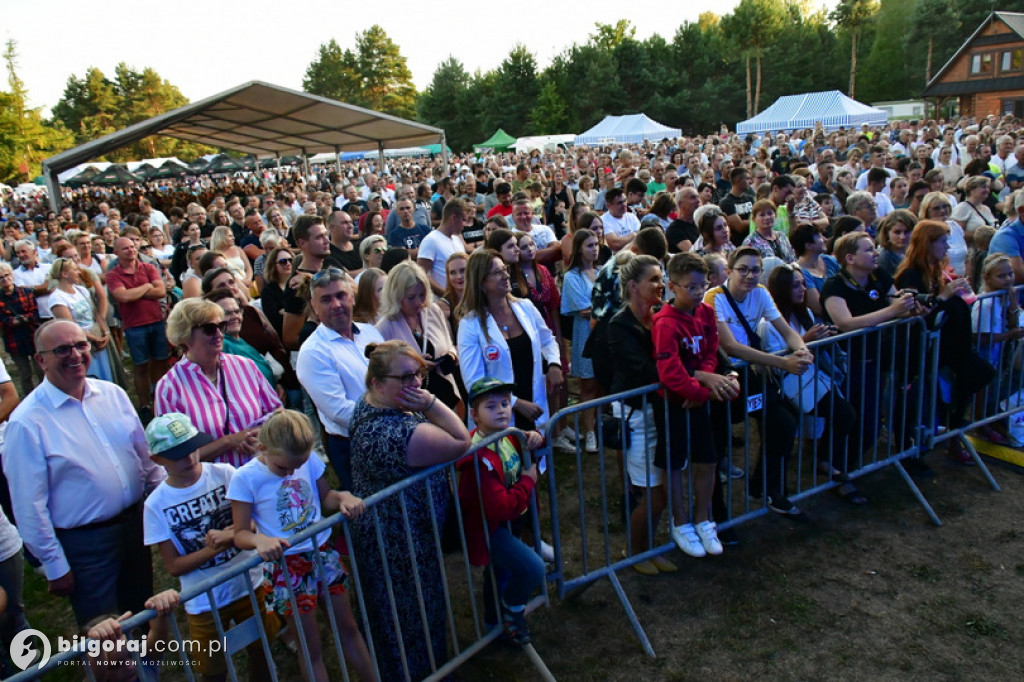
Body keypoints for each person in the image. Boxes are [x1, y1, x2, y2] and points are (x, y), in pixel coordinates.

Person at [4, 320, 164, 626]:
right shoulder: (26, 423)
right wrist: (54, 565)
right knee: (105, 634)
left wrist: (166, 501)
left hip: (134, 528)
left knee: (141, 616)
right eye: (62, 349)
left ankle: (146, 672)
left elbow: (145, 460)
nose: (75, 354)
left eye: (81, 345)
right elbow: (28, 505)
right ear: (41, 360)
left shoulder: (113, 394)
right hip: (86, 547)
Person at [349, 340, 470, 682]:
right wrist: (432, 403)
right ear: (376, 383)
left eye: (417, 374)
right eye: (404, 377)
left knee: (410, 610)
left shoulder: (382, 404)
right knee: (407, 615)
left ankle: (425, 668)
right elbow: (461, 441)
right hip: (397, 540)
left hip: (406, 531)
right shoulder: (390, 433)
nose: (415, 384)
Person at [228, 409, 375, 682]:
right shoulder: (245, 479)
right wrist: (259, 539)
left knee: (348, 628)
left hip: (323, 554)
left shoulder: (305, 460)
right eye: (284, 468)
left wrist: (342, 497)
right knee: (311, 647)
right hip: (287, 567)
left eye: (299, 465)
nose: (293, 472)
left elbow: (326, 496)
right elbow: (239, 534)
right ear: (262, 448)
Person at [142, 412, 277, 682]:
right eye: (178, 454)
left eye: (192, 449)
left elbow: (254, 521)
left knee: (262, 652)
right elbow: (173, 566)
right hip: (204, 601)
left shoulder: (225, 474)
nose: (189, 458)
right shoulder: (155, 505)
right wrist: (214, 548)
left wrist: (230, 536)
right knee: (213, 669)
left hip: (250, 583)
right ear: (157, 460)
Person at [704, 247, 813, 517]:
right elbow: (730, 347)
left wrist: (801, 349)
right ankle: (716, 512)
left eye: (756, 270)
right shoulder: (713, 297)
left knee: (783, 423)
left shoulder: (761, 293)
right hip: (723, 377)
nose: (750, 275)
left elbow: (787, 331)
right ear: (728, 272)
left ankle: (766, 487)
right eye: (743, 269)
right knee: (715, 447)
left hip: (752, 375)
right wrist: (782, 362)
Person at [654, 253, 739, 557]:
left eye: (702, 285)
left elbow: (711, 349)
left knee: (708, 459)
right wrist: (703, 390)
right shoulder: (665, 322)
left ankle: (703, 518)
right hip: (675, 405)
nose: (698, 292)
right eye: (691, 287)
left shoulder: (705, 312)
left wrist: (703, 385)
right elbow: (670, 371)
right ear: (672, 287)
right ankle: (680, 522)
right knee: (675, 464)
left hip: (699, 399)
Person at [821, 233, 926, 471]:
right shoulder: (834, 286)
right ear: (850, 257)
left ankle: (847, 467)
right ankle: (831, 465)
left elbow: (896, 303)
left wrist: (912, 309)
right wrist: (893, 312)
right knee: (844, 419)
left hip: (875, 360)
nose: (875, 253)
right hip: (845, 365)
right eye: (868, 250)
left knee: (869, 425)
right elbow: (845, 323)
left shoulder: (878, 275)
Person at [895, 220, 997, 463]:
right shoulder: (911, 273)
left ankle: (953, 431)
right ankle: (913, 450)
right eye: (942, 242)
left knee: (980, 374)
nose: (947, 247)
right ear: (927, 244)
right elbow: (914, 312)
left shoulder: (935, 270)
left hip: (950, 348)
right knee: (915, 405)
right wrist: (945, 296)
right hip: (922, 349)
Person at [456, 377, 546, 645]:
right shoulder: (478, 456)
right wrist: (528, 482)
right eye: (491, 406)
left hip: (512, 522)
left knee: (501, 572)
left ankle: (494, 624)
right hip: (490, 528)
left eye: (505, 403)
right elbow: (499, 507)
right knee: (533, 568)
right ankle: (512, 611)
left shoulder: (510, 435)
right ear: (474, 415)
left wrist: (535, 437)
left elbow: (532, 449)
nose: (501, 410)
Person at [763, 265, 862, 503]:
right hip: (786, 387)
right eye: (796, 285)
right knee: (783, 437)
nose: (803, 289)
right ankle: (774, 491)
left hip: (811, 381)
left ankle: (824, 459)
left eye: (803, 283)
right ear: (782, 289)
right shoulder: (769, 321)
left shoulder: (805, 312)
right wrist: (805, 341)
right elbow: (771, 357)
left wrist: (826, 336)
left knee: (845, 414)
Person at [607, 254, 676, 574]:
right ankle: (635, 551)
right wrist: (678, 372)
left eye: (661, 278)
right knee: (653, 491)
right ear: (633, 286)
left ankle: (648, 546)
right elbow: (645, 369)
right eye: (654, 279)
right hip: (636, 414)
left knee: (661, 488)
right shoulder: (620, 325)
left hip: (661, 410)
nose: (661, 285)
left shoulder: (661, 315)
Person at [155, 299, 282, 467]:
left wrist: (261, 434)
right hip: (216, 485)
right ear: (185, 336)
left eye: (221, 326)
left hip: (262, 471)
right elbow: (176, 456)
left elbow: (278, 412)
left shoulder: (245, 366)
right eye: (209, 329)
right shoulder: (170, 388)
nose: (220, 334)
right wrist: (229, 442)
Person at [296, 268, 384, 491]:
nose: (335, 304)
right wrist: (389, 419)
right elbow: (338, 411)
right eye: (326, 299)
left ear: (352, 297)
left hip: (389, 429)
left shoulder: (370, 333)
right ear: (314, 307)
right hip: (352, 445)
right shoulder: (313, 352)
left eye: (340, 295)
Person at [459, 250, 563, 435]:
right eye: (497, 272)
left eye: (504, 269)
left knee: (536, 459)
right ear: (481, 282)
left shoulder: (525, 307)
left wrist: (554, 365)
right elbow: (475, 382)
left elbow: (547, 340)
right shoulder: (470, 325)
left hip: (534, 405)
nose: (506, 275)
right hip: (496, 418)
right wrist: (515, 403)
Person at [376, 261, 461, 412]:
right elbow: (382, 376)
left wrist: (451, 356)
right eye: (411, 297)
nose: (418, 302)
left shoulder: (433, 311)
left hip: (447, 397)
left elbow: (451, 345)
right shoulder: (384, 328)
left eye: (422, 295)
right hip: (412, 407)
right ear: (396, 296)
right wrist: (415, 366)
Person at [106, 236, 168, 420]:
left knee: (160, 362)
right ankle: (144, 405)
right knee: (140, 366)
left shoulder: (148, 267)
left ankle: (160, 398)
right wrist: (148, 286)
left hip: (156, 321)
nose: (131, 250)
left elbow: (161, 291)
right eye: (125, 248)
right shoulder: (113, 274)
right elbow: (122, 297)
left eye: (133, 247)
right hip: (134, 326)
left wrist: (137, 291)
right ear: (116, 252)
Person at [561, 228, 601, 452]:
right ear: (579, 249)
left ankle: (599, 423)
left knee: (603, 381)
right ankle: (589, 431)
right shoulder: (571, 277)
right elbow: (584, 308)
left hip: (604, 333)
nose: (594, 249)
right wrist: (606, 310)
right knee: (588, 383)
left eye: (596, 244)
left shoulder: (603, 271)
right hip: (585, 333)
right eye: (589, 245)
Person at [48, 257, 113, 383]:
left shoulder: (81, 290)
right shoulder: (57, 298)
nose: (78, 272)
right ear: (64, 274)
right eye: (74, 269)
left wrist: (105, 332)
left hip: (96, 336)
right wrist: (94, 339)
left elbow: (96, 313)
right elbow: (71, 326)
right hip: (80, 344)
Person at [0, 263, 41, 397]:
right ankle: (29, 399)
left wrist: (16, 320)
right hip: (14, 341)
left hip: (32, 337)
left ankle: (44, 396)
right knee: (25, 374)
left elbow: (34, 313)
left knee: (41, 370)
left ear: (11, 275)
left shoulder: (27, 292)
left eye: (6, 275)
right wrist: (24, 318)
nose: (5, 279)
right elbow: (4, 322)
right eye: (0, 277)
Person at [417, 199, 467, 296]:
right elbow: (421, 274)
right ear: (453, 218)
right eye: (463, 220)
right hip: (443, 305)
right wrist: (447, 296)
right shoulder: (431, 240)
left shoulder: (457, 240)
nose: (465, 225)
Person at [791, 224, 840, 316]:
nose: (825, 239)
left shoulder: (829, 260)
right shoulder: (799, 272)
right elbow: (819, 308)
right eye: (820, 236)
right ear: (809, 245)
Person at [919, 191, 968, 276]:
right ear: (927, 211)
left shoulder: (955, 226)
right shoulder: (924, 231)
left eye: (945, 206)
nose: (942, 210)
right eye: (936, 208)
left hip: (960, 280)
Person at [260, 245, 293, 338]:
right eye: (283, 261)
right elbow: (273, 321)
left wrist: (284, 312)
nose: (288, 264)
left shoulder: (300, 285)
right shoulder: (268, 291)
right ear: (274, 265)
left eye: (290, 260)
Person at [876, 209, 918, 279]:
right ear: (887, 233)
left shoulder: (915, 252)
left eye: (907, 232)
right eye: (897, 232)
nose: (902, 237)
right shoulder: (885, 258)